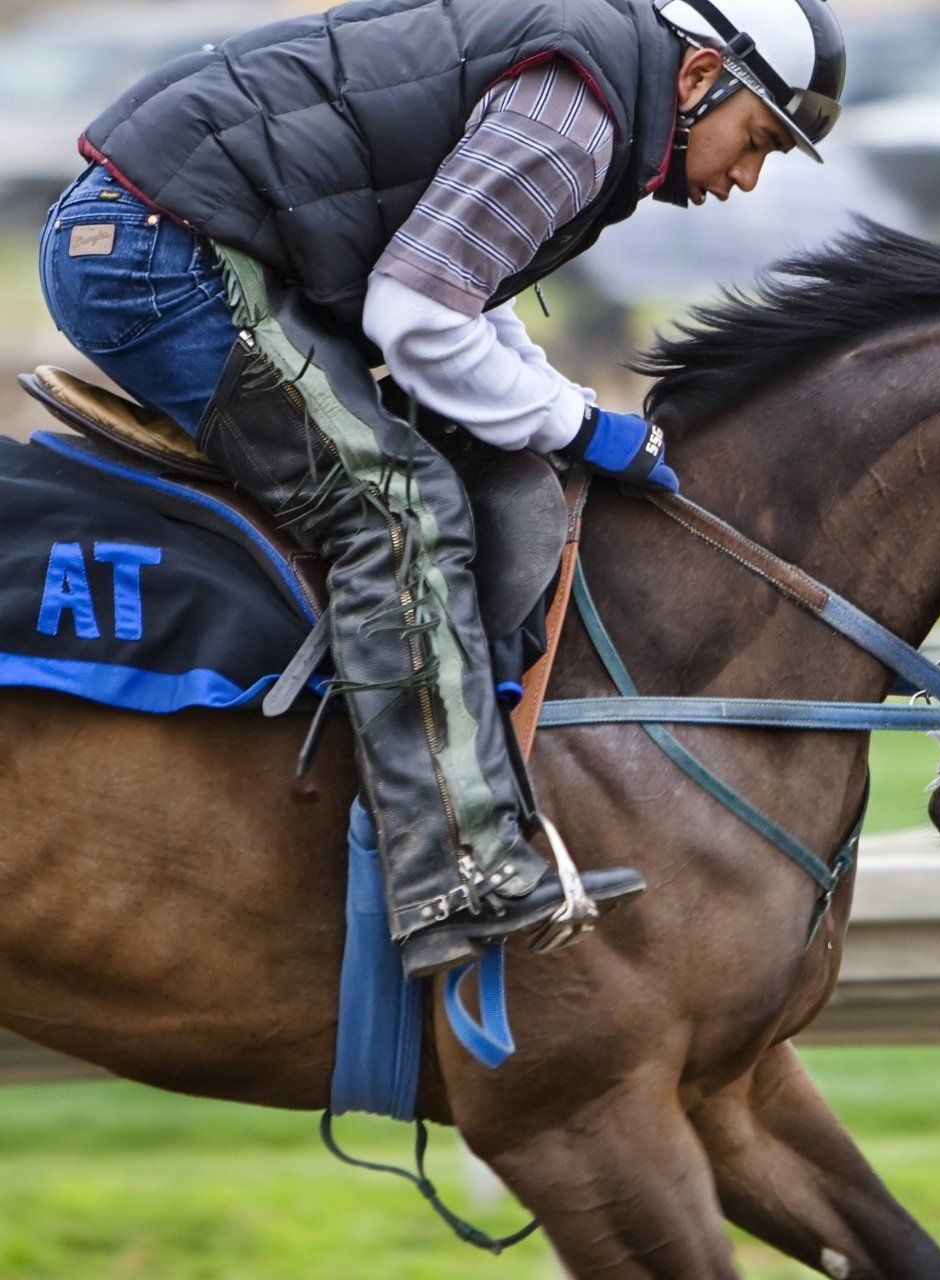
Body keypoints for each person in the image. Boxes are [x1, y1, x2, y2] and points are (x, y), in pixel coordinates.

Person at [37, 0, 847, 978]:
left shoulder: (596, 95)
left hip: (185, 237)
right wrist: (583, 425)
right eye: (755, 138)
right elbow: (417, 316)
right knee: (397, 507)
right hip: (160, 257)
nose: (745, 178)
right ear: (698, 76)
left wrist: (566, 409)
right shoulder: (576, 118)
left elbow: (462, 295)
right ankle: (454, 868)